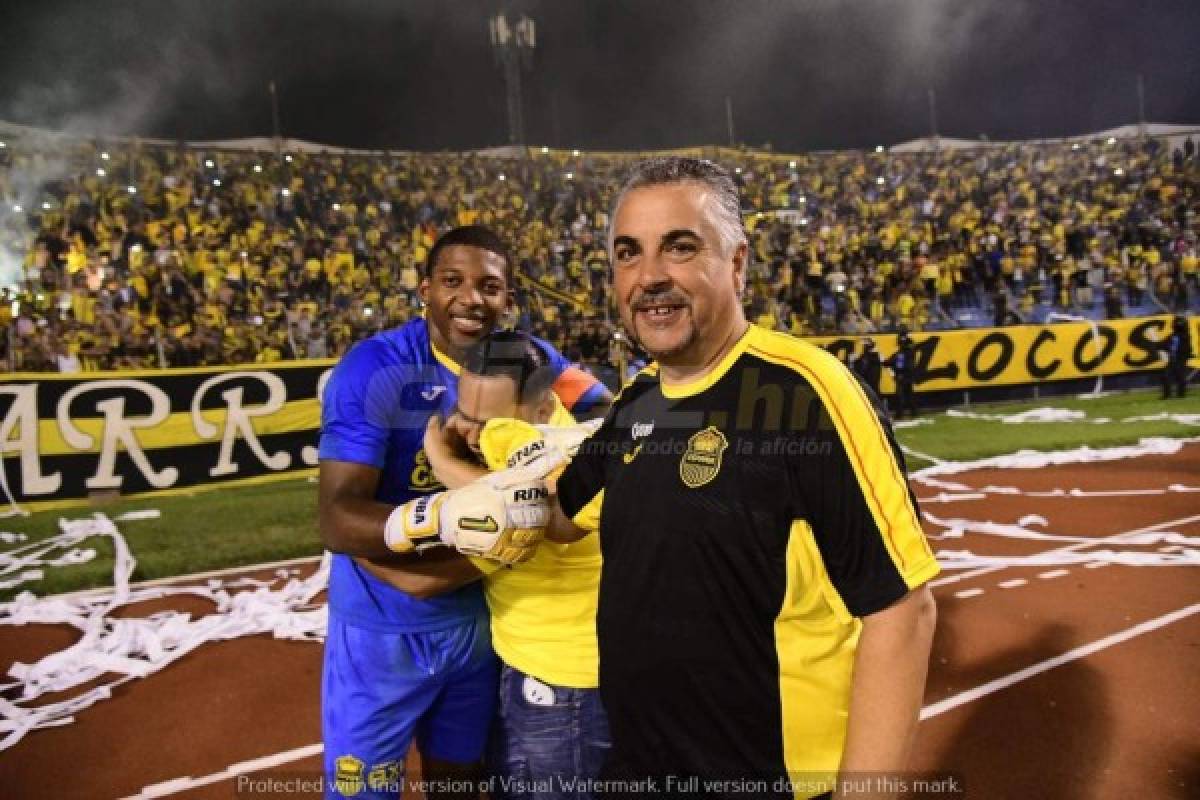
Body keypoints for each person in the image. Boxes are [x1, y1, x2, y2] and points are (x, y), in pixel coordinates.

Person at [543, 158, 939, 799]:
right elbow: (561, 514)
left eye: (679, 247)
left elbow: (902, 609)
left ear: (737, 264)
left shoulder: (805, 393)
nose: (649, 277)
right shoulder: (637, 399)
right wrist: (475, 489)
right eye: (627, 253)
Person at [317, 225, 610, 800]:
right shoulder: (374, 369)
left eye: (490, 286)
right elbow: (335, 516)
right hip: (384, 633)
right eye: (452, 281)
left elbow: (608, 415)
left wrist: (530, 490)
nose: (472, 298)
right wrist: (455, 528)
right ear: (425, 288)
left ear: (508, 299)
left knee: (461, 784)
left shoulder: (534, 359)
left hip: (479, 628)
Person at [367, 329, 611, 800]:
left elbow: (515, 507)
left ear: (541, 411)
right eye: (467, 415)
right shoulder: (557, 439)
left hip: (563, 690)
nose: (477, 434)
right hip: (544, 676)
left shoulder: (546, 451)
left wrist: (439, 457)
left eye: (493, 423)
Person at [884, 331, 919, 419]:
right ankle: (913, 412)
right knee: (909, 394)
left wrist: (898, 373)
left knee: (900, 395)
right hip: (908, 375)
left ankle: (900, 414)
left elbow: (899, 364)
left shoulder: (903, 353)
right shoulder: (907, 352)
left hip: (903, 376)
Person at [1158, 315, 1193, 399]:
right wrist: (1161, 345)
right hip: (1173, 359)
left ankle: (1181, 395)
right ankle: (1167, 395)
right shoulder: (1172, 336)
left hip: (1180, 360)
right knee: (1165, 376)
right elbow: (1164, 344)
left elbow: (1186, 349)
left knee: (1180, 377)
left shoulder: (1185, 336)